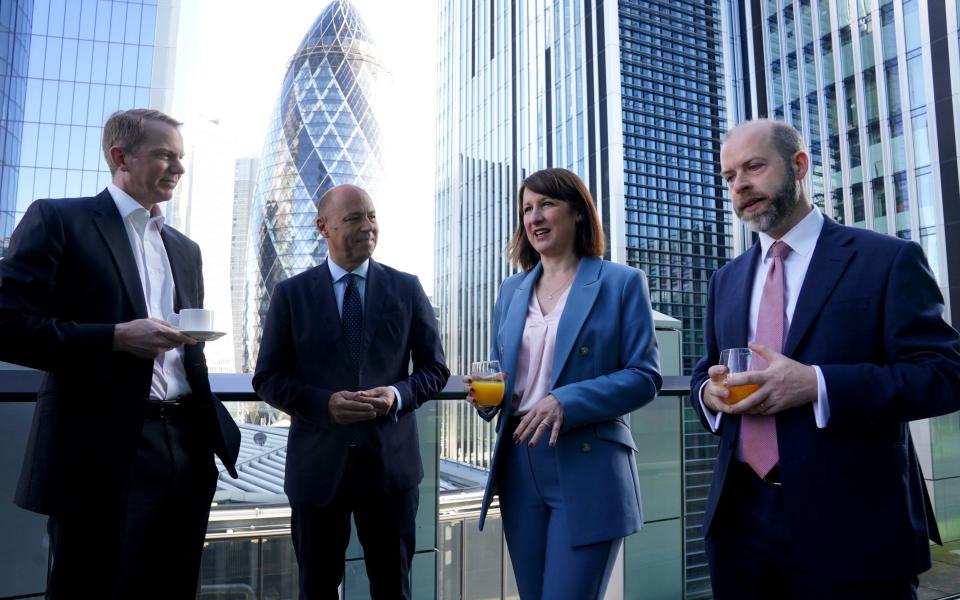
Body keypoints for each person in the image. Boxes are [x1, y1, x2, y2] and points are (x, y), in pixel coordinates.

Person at [690, 119, 960, 598]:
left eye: (754, 166)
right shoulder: (725, 279)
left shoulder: (887, 259)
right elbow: (705, 371)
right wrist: (708, 393)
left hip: (855, 527)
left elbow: (944, 374)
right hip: (741, 527)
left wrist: (817, 384)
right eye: (730, 177)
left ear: (798, 166)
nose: (741, 186)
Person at [0, 108, 241, 599]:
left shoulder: (185, 247)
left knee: (172, 587)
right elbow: (8, 326)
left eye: (180, 157)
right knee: (91, 587)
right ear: (120, 157)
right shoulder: (58, 219)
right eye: (164, 155)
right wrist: (114, 336)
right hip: (99, 451)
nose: (178, 167)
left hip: (187, 448)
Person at [465, 168, 662, 599]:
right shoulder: (510, 290)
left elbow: (645, 377)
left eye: (546, 204)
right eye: (526, 209)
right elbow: (507, 374)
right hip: (518, 462)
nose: (534, 217)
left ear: (576, 211)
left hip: (587, 463)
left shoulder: (620, 282)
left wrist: (566, 400)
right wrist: (487, 397)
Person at [252, 183, 449, 600]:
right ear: (323, 226)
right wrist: (323, 404)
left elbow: (435, 370)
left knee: (393, 589)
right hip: (317, 472)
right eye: (354, 218)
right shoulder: (290, 294)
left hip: (391, 471)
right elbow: (267, 377)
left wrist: (396, 396)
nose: (368, 226)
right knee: (317, 589)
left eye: (372, 216)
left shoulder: (407, 287)